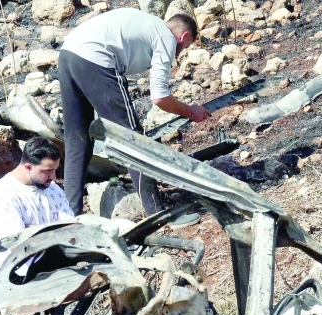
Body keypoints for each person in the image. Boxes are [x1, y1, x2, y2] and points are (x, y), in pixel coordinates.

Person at [59, 9, 210, 216]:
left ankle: (69, 215)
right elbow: (159, 97)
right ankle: (157, 214)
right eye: (184, 47)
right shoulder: (165, 37)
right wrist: (190, 111)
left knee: (78, 140)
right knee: (131, 138)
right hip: (95, 57)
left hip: (68, 52)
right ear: (183, 37)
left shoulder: (148, 25)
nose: (179, 53)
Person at [0, 137, 76, 245]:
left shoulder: (52, 188)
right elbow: (16, 243)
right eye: (48, 171)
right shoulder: (2, 195)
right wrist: (58, 231)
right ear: (28, 167)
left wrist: (33, 230)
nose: (54, 177)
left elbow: (73, 230)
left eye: (55, 170)